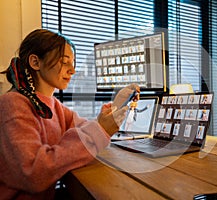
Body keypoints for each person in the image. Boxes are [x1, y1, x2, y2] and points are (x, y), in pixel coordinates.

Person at [0, 29, 139, 199]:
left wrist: (117, 106)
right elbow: (33, 173)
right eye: (64, 62)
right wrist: (101, 129)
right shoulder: (13, 104)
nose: (72, 70)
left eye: (73, 63)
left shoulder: (54, 106)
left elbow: (87, 130)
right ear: (35, 62)